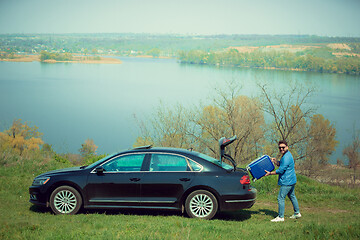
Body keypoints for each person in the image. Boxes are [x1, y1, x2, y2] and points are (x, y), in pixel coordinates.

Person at [265, 140, 301, 222]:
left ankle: (281, 217)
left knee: (280, 198)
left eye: (283, 147)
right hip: (292, 180)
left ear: (287, 147)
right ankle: (297, 213)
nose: (281, 149)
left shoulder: (286, 157)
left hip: (287, 181)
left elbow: (281, 170)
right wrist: (275, 161)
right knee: (292, 195)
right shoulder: (286, 155)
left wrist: (270, 173)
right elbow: (282, 164)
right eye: (280, 147)